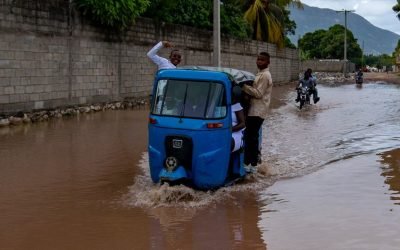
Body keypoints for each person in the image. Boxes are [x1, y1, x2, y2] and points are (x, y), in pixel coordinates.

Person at [242, 52, 273, 170]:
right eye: (258, 59)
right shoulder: (260, 74)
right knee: (251, 136)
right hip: (255, 110)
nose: (259, 62)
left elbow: (258, 93)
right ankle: (252, 163)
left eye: (262, 60)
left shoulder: (265, 75)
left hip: (258, 111)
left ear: (268, 62)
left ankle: (251, 164)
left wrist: (244, 87)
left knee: (251, 137)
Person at [231, 87, 246, 152]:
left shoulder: (236, 105)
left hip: (235, 134)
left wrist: (230, 130)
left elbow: (242, 124)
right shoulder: (216, 105)